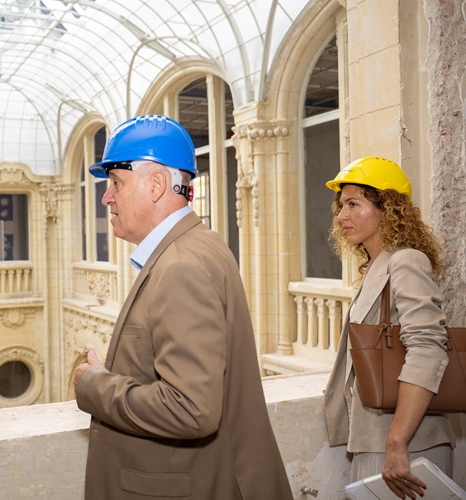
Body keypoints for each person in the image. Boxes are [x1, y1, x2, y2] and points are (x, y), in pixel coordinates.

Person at [73, 114, 293, 499]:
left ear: (156, 184)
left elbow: (191, 407)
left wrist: (95, 384)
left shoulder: (180, 266)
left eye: (116, 182)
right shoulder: (195, 246)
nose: (107, 197)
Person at [323, 156, 455, 499]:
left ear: (389, 208)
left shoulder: (406, 260)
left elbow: (427, 349)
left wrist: (397, 442)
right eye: (341, 206)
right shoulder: (376, 267)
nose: (342, 216)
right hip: (377, 438)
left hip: (406, 444)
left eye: (354, 204)